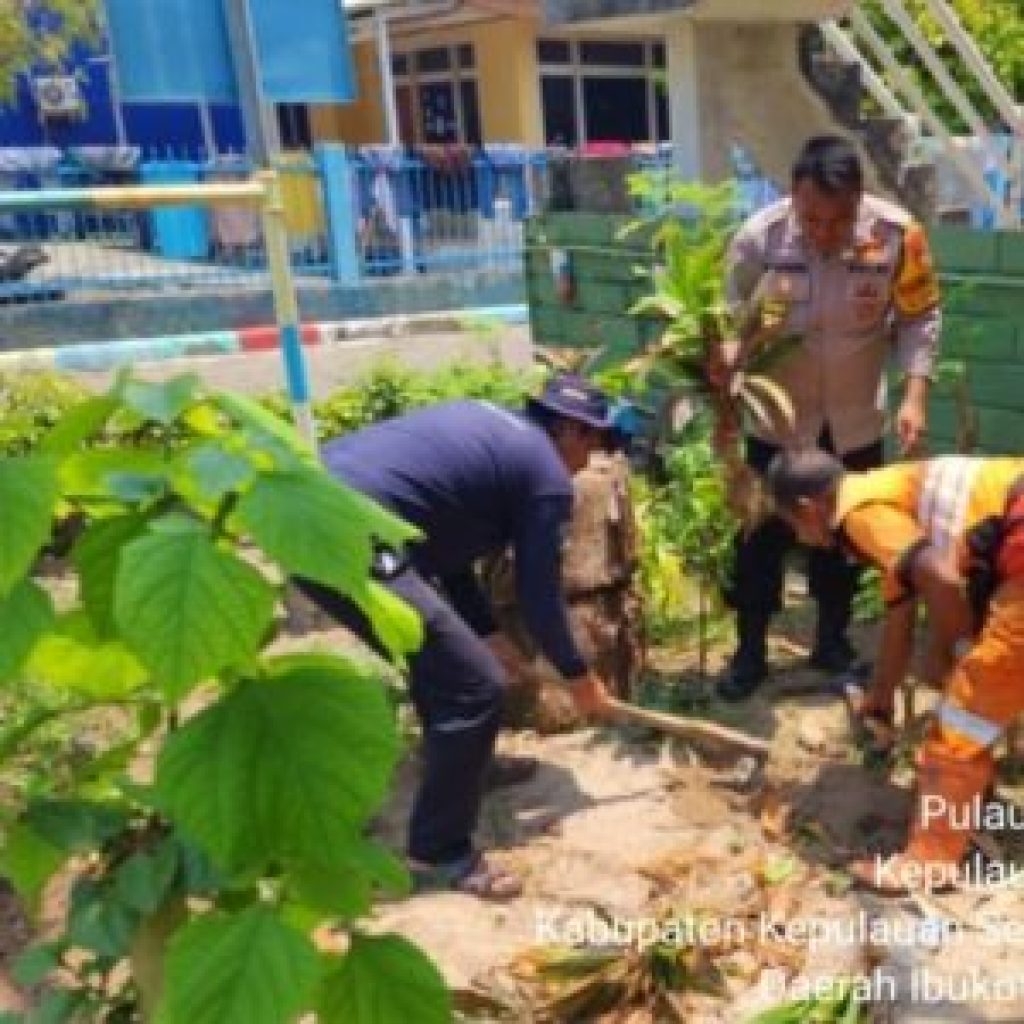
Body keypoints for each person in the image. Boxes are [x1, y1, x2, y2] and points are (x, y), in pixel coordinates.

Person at [300, 375, 618, 900]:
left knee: (447, 664)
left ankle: (467, 768)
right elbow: (541, 598)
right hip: (346, 530)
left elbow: (448, 556)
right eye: (595, 440)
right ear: (568, 429)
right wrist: (579, 678)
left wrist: (488, 631)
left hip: (313, 508)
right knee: (474, 685)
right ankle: (439, 851)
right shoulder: (545, 478)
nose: (595, 457)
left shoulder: (501, 440)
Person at [715, 133, 942, 702]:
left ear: (859, 201)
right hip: (778, 424)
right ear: (793, 195)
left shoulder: (898, 237)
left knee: (850, 535)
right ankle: (750, 651)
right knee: (761, 538)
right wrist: (724, 362)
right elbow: (723, 317)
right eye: (810, 218)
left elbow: (921, 319)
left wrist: (914, 396)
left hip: (854, 420)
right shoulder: (758, 240)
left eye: (837, 222)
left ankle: (833, 642)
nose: (822, 232)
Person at [764, 449, 1024, 893]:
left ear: (808, 510)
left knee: (963, 719)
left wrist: (954, 650)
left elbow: (941, 579)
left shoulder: (860, 516)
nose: (800, 539)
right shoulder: (889, 506)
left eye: (793, 527)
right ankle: (969, 799)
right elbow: (898, 623)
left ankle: (929, 860)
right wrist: (878, 704)